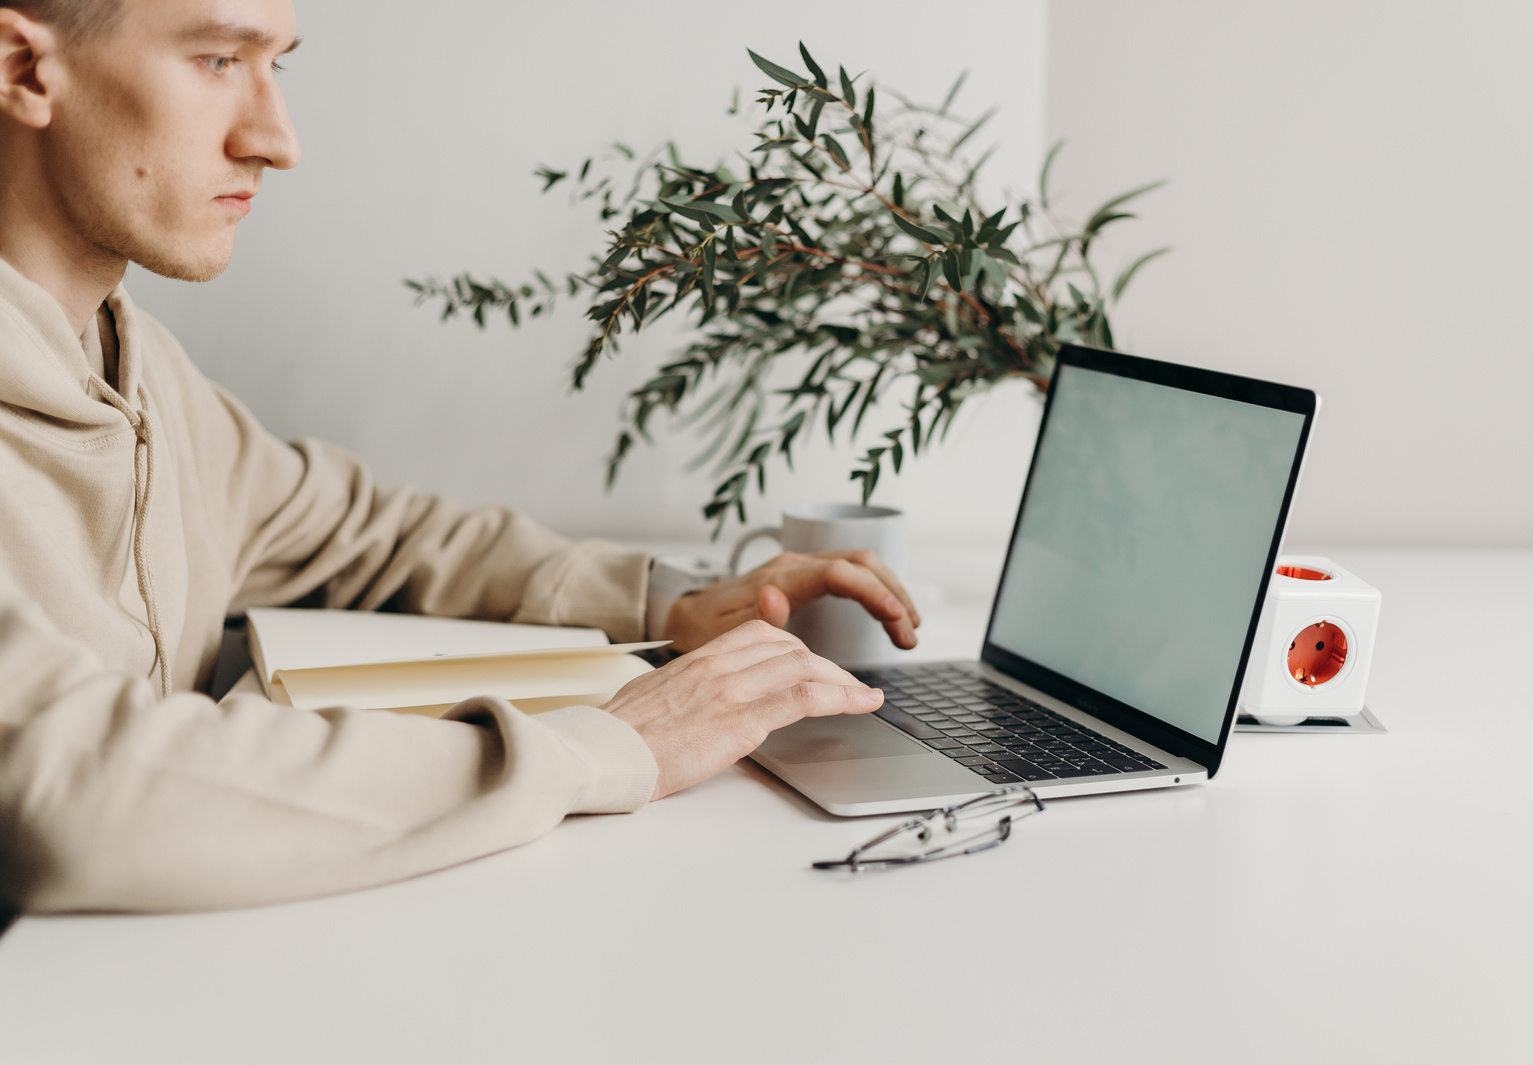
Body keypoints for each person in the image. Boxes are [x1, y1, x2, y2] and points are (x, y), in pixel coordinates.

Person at [0, 0, 920, 913]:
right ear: (22, 68)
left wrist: (667, 601)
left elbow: (367, 533)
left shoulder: (138, 369)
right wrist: (599, 747)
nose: (277, 140)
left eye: (278, 64)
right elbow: (87, 788)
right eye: (216, 61)